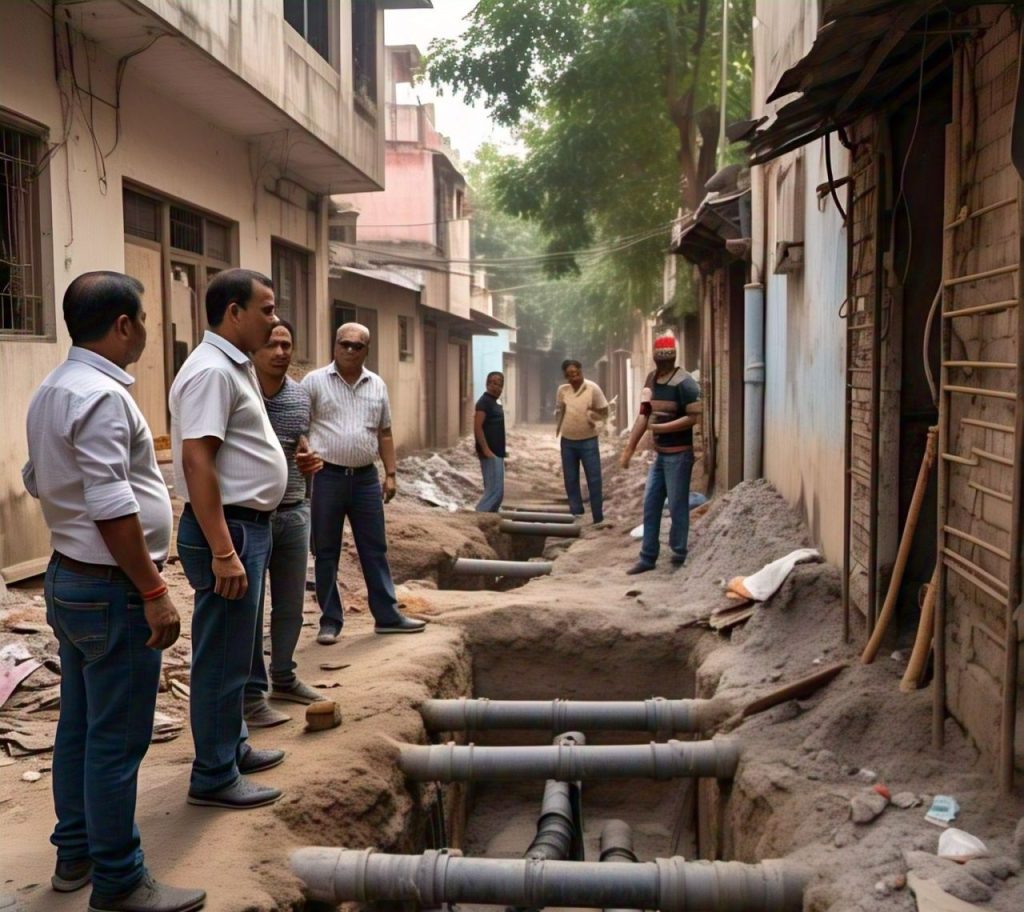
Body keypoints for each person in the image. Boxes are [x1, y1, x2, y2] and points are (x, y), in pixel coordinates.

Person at [23, 272, 205, 912]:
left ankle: (75, 853)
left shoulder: (53, 389)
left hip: (72, 577)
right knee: (116, 739)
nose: (146, 332)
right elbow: (109, 501)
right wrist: (153, 589)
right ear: (124, 325)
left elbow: (37, 477)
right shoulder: (101, 396)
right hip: (110, 587)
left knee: (79, 725)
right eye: (144, 320)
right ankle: (120, 880)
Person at [169, 268, 288, 811]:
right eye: (266, 309)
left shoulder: (232, 365)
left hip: (245, 526)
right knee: (220, 655)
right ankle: (214, 774)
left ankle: (232, 747)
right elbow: (198, 459)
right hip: (230, 529)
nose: (274, 320)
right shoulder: (212, 371)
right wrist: (222, 550)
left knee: (236, 650)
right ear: (234, 313)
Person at [303, 322, 427, 644]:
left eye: (356, 346)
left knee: (374, 548)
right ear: (335, 345)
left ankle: (387, 616)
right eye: (343, 343)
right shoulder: (314, 382)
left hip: (365, 480)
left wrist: (391, 474)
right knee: (326, 551)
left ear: (366, 350)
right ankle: (330, 621)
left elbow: (384, 433)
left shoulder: (377, 385)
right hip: (326, 477)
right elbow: (299, 426)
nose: (349, 350)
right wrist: (304, 458)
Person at [242, 320, 325, 728]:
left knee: (290, 606)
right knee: (250, 610)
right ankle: (249, 694)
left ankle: (285, 677)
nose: (280, 352)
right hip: (252, 516)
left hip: (294, 510)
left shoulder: (300, 397)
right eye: (272, 344)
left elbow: (303, 444)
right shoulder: (241, 392)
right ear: (254, 348)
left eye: (286, 345)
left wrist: (310, 462)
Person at [620, 335, 701, 574]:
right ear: (655, 359)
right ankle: (647, 557)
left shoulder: (686, 383)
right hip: (660, 455)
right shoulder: (651, 379)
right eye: (660, 359)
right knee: (651, 503)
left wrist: (662, 428)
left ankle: (679, 553)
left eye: (667, 360)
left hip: (679, 455)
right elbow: (644, 415)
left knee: (677, 506)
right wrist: (629, 448)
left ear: (673, 358)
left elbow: (693, 418)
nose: (663, 363)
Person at [556, 360, 609, 524]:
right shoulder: (562, 390)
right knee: (570, 479)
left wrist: (594, 418)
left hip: (588, 442)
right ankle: (576, 513)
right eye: (570, 375)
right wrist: (560, 426)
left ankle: (598, 517)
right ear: (565, 376)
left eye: (576, 373)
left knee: (594, 479)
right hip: (567, 441)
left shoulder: (593, 389)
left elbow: (605, 412)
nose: (574, 377)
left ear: (581, 371)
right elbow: (560, 410)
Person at [474, 371, 506, 512]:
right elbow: (477, 427)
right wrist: (486, 450)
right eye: (492, 383)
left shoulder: (494, 402)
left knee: (498, 493)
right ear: (487, 384)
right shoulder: (484, 402)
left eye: (499, 384)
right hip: (490, 453)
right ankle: (479, 517)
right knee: (493, 492)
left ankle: (490, 518)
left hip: (497, 452)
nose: (495, 387)